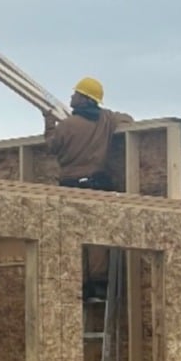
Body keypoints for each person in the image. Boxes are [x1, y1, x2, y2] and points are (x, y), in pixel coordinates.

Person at [44, 76, 135, 299]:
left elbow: (51, 147)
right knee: (96, 235)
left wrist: (48, 123)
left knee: (75, 235)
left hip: (72, 187)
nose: (71, 97)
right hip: (97, 185)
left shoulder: (67, 126)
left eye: (75, 94)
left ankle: (82, 284)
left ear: (84, 99)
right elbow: (128, 119)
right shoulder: (106, 119)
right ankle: (100, 284)